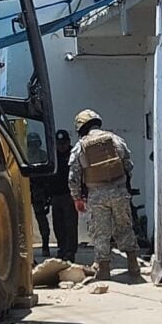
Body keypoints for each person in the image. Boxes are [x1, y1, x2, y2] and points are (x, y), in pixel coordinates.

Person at [68, 109, 140, 280]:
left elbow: (74, 176)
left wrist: (76, 197)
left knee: (101, 232)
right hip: (119, 191)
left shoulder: (81, 146)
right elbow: (129, 165)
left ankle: (104, 271)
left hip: (96, 195)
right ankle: (133, 265)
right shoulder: (115, 140)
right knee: (125, 227)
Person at [48, 129, 79, 261]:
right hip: (56, 196)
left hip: (69, 195)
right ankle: (62, 248)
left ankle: (70, 251)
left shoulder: (73, 155)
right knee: (58, 225)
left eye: (64, 143)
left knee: (70, 225)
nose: (61, 146)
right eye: (59, 144)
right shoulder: (52, 156)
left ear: (68, 143)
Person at [27, 132, 51, 257]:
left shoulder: (43, 155)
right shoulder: (24, 154)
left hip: (39, 190)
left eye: (35, 143)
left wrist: (47, 196)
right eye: (31, 144)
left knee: (42, 220)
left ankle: (45, 245)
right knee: (23, 220)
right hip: (26, 188)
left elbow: (47, 176)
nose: (33, 146)